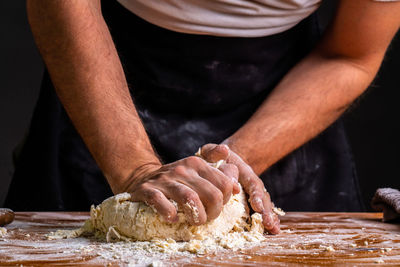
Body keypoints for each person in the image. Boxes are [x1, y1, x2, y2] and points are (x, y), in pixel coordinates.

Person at [5, 0, 400, 234]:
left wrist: (234, 162)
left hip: (288, 99)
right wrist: (135, 167)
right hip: (107, 81)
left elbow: (350, 53)